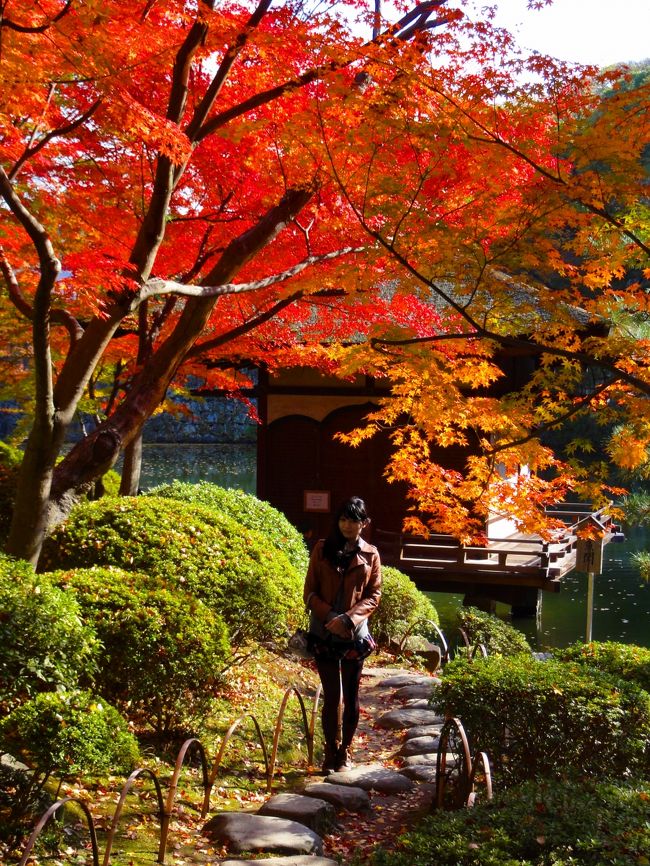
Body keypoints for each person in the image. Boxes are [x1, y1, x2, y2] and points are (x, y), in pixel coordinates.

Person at [303, 496, 382, 774]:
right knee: (331, 696)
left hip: (353, 634)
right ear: (338, 521)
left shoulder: (371, 554)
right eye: (344, 519)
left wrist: (348, 619)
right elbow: (309, 592)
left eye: (354, 520)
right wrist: (330, 617)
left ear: (364, 523)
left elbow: (374, 596)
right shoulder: (322, 549)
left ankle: (345, 750)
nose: (348, 525)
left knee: (351, 694)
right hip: (324, 631)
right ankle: (329, 750)